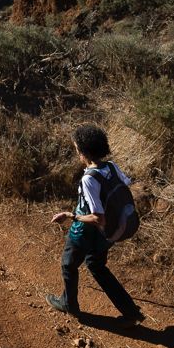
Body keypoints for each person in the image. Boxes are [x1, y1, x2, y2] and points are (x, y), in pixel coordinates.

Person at [45, 124, 144, 323]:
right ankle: (131, 312)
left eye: (77, 149)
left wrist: (70, 215)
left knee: (68, 265)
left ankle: (69, 304)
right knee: (97, 266)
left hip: (84, 232)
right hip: (106, 234)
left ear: (84, 152)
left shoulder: (89, 179)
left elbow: (98, 217)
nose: (77, 153)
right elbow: (127, 185)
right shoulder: (112, 166)